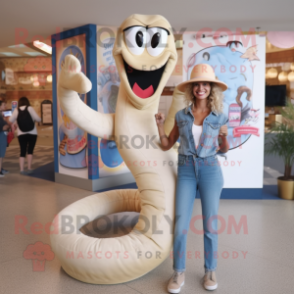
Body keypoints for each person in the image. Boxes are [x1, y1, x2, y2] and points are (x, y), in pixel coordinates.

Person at [155, 64, 229, 293]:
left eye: (205, 84)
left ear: (211, 88)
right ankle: (178, 272)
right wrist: (159, 125)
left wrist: (225, 137)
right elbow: (167, 143)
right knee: (180, 225)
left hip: (210, 169)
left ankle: (210, 270)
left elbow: (224, 149)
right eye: (197, 84)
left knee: (210, 225)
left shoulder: (220, 116)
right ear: (192, 89)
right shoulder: (181, 115)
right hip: (186, 168)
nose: (201, 88)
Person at [9, 97, 41, 174]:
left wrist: (15, 122)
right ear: (27, 102)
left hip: (21, 134)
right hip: (32, 133)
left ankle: (22, 169)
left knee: (22, 151)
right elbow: (38, 119)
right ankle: (29, 168)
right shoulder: (30, 108)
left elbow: (10, 120)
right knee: (30, 150)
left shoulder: (16, 110)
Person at [0, 100, 11, 177]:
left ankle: (1, 168)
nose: (5, 106)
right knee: (0, 154)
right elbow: (3, 127)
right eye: (4, 105)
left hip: (3, 135)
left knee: (1, 154)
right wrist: (8, 125)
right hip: (1, 135)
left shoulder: (2, 115)